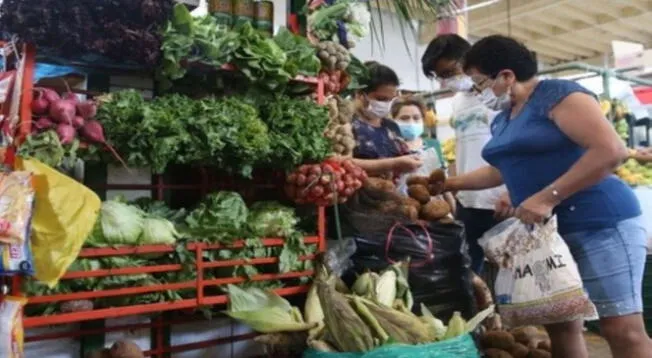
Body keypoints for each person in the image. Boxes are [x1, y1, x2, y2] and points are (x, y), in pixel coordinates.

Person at [447, 34, 650, 358]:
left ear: (506, 76)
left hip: (600, 223)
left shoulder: (558, 95)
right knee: (561, 323)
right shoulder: (504, 119)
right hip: (547, 236)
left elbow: (610, 151)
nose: (478, 91)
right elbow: (500, 170)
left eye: (480, 82)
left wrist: (546, 197)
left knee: (621, 327)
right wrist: (449, 184)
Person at [421, 34, 506, 273]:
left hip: (503, 200)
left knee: (515, 272)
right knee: (469, 272)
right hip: (469, 202)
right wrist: (453, 190)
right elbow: (462, 148)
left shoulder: (498, 96)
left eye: (449, 72)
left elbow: (518, 149)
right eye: (440, 77)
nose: (446, 81)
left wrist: (513, 192)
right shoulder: (457, 103)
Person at [351, 62, 422, 178]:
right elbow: (342, 163)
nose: (386, 104)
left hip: (393, 193)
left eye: (391, 100)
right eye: (381, 99)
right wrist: (393, 164)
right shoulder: (347, 125)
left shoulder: (391, 126)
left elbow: (402, 154)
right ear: (359, 93)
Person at [390, 96, 456, 211]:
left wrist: (452, 207)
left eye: (416, 118)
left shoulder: (433, 145)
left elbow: (442, 181)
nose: (411, 122)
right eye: (404, 118)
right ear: (394, 120)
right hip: (402, 208)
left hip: (433, 207)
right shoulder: (390, 147)